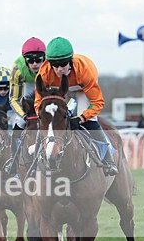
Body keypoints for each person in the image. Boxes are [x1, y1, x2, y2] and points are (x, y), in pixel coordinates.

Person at [34, 36, 118, 176]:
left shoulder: (85, 71)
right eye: (55, 66)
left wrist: (81, 118)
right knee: (48, 120)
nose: (59, 69)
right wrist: (43, 116)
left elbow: (98, 102)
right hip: (60, 92)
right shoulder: (44, 73)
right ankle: (36, 159)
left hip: (82, 90)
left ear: (70, 61)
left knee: (89, 121)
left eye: (63, 65)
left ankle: (108, 160)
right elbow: (38, 101)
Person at [6, 37, 46, 174]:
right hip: (28, 85)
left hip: (46, 85)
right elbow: (14, 99)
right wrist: (24, 116)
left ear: (44, 58)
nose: (34, 64)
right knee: (19, 124)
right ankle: (14, 160)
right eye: (30, 60)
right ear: (24, 60)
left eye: (38, 60)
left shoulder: (50, 66)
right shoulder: (17, 69)